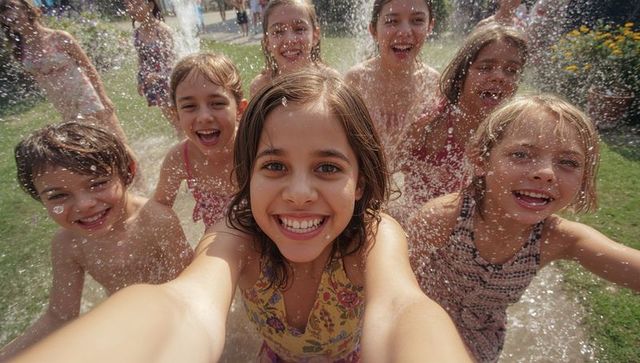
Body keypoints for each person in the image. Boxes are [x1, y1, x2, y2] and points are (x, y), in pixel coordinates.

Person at [11, 71, 472, 363]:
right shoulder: (236, 235)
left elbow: (399, 309)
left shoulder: (371, 237)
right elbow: (184, 306)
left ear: (363, 182)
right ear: (245, 176)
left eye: (328, 168)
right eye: (273, 166)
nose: (298, 194)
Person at [408, 94, 640, 362]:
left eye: (568, 162)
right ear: (482, 159)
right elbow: (392, 283)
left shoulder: (558, 238)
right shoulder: (444, 216)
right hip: (421, 327)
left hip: (481, 341)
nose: (546, 173)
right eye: (521, 154)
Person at [0, 122, 193, 361]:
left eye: (97, 183)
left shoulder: (155, 220)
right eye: (58, 196)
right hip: (125, 326)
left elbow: (190, 286)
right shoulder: (67, 244)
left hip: (172, 320)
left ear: (128, 172)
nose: (84, 205)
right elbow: (60, 316)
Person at [391, 24, 527, 222]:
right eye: (485, 67)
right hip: (420, 231)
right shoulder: (430, 122)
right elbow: (386, 172)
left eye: (511, 71)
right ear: (462, 72)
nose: (499, 77)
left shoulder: (514, 133)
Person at [0, 0, 126, 142]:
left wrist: (103, 98)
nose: (8, 14)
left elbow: (88, 67)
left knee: (115, 140)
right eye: (2, 11)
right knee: (91, 146)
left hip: (86, 97)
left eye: (11, 7)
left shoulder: (59, 37)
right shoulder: (20, 51)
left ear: (26, 8)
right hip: (64, 104)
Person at [153, 52, 247, 229]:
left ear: (240, 109)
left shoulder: (254, 147)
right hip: (216, 245)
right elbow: (160, 205)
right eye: (189, 106)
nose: (204, 117)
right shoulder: (180, 157)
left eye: (217, 103)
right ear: (176, 115)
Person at [345, 0, 440, 155]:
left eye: (417, 20)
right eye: (392, 21)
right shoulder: (356, 80)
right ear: (373, 30)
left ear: (430, 26)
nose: (404, 31)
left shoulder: (433, 84)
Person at [249, 0, 338, 97]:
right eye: (278, 32)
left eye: (299, 29)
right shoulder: (261, 87)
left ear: (315, 35)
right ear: (267, 42)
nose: (289, 40)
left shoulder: (330, 81)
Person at [124, 0, 178, 136]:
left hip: (169, 82)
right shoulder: (137, 33)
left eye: (137, 5)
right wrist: (140, 79)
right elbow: (141, 59)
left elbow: (174, 61)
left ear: (150, 5)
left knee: (180, 120)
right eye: (130, 6)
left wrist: (158, 75)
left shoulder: (163, 31)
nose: (132, 10)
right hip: (154, 84)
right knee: (174, 123)